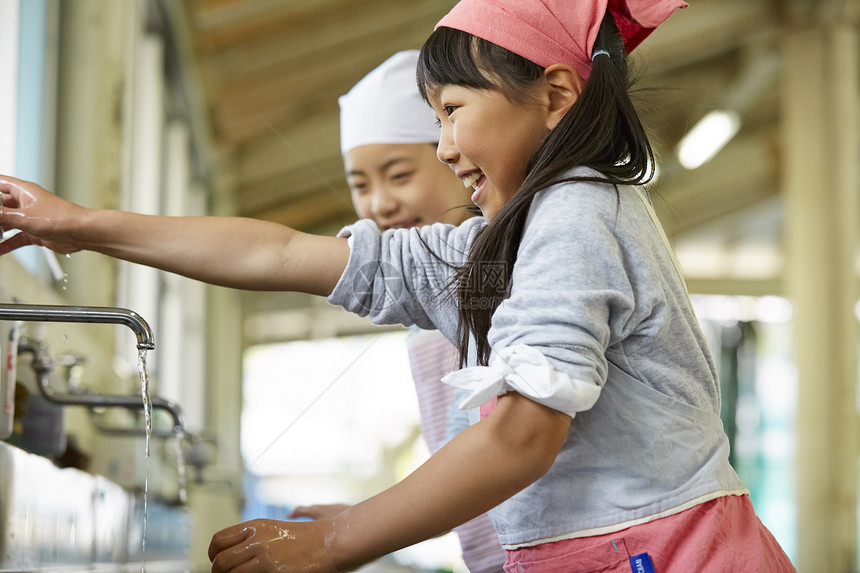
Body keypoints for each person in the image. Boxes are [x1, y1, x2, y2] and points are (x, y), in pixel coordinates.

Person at [0, 1, 796, 571]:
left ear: (556, 96)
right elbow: (281, 254)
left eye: (451, 111)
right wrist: (81, 224)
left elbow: (524, 434)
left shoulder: (577, 212)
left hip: (670, 554)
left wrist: (342, 540)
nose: (445, 146)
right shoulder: (499, 243)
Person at [286, 49, 506, 572]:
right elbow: (463, 475)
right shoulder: (422, 321)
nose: (378, 204)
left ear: (455, 156)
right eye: (361, 184)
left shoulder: (502, 275)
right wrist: (365, 519)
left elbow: (507, 453)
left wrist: (355, 533)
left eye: (398, 174)